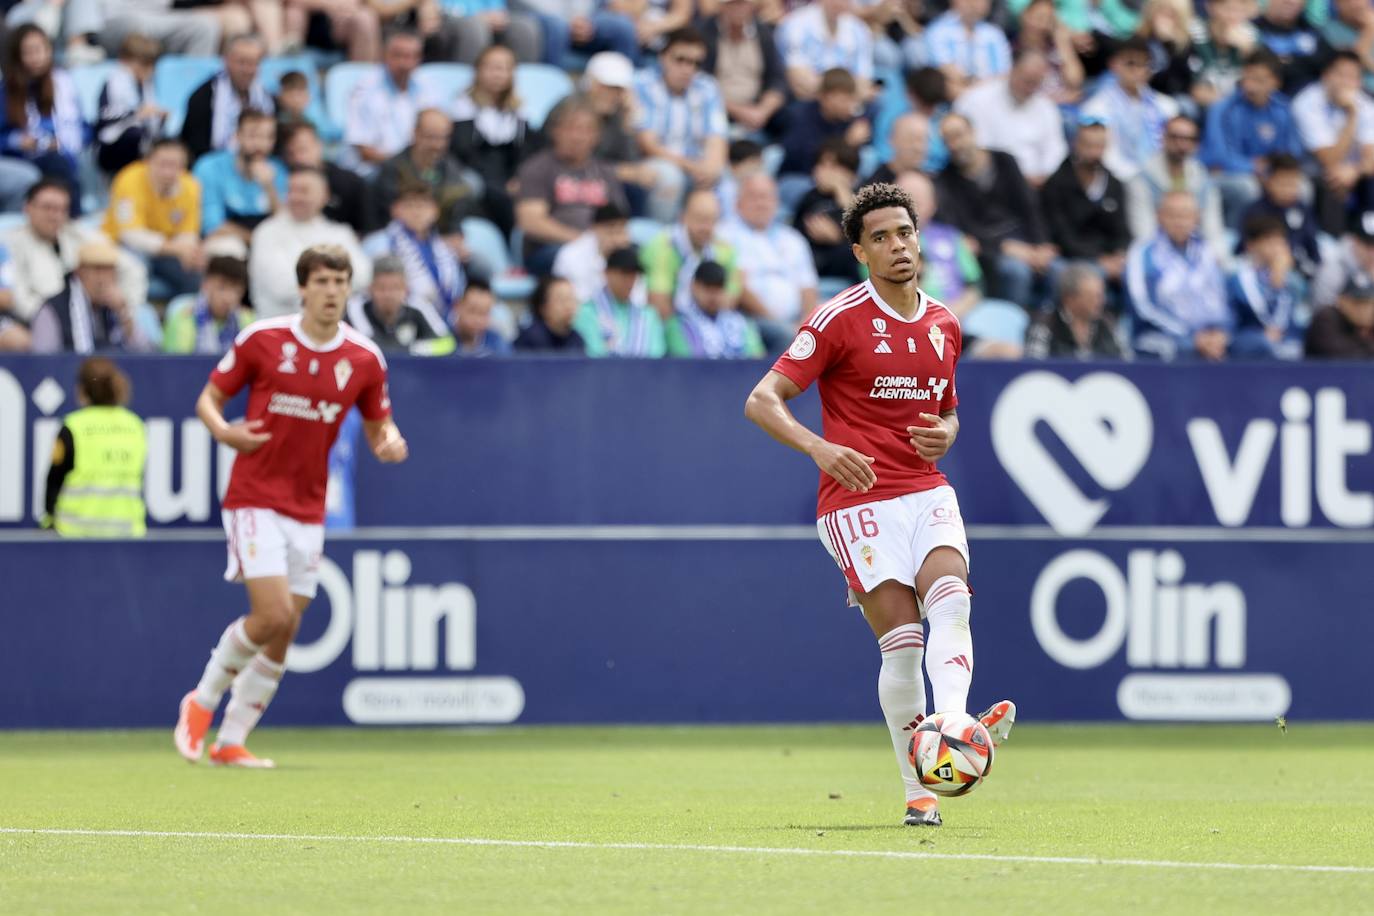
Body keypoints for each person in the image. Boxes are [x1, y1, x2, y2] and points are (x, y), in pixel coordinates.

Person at [743, 181, 1016, 829]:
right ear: (861, 253)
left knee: (951, 596)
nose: (898, 246)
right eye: (882, 238)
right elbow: (762, 400)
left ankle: (951, 725)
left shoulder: (945, 322)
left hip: (925, 489)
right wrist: (818, 447)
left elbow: (949, 412)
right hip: (857, 500)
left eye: (905, 233)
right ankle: (920, 791)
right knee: (903, 644)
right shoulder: (839, 319)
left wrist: (945, 434)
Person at [173, 245, 406, 768]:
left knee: (288, 627)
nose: (331, 291)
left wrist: (389, 440)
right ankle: (202, 702)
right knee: (272, 613)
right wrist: (224, 432)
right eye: (322, 281)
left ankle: (233, 738)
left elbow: (378, 424)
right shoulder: (263, 340)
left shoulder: (364, 358)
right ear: (303, 288)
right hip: (254, 496)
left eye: (340, 282)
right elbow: (209, 398)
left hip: (308, 506)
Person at [937, 112, 1055, 310]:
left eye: (958, 135)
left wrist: (1042, 244)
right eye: (947, 140)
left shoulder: (1004, 160)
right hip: (989, 250)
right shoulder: (946, 180)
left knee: (1059, 269)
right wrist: (1004, 247)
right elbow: (963, 230)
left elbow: (1029, 206)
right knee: (1016, 271)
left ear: (973, 132)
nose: (954, 145)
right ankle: (1015, 331)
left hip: (1024, 238)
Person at [3, 179, 147, 325]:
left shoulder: (79, 235)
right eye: (47, 208)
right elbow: (17, 297)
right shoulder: (10, 244)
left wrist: (125, 308)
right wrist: (55, 320)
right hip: (37, 324)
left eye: (61, 210)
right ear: (27, 208)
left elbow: (133, 269)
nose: (55, 216)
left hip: (89, 322)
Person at [515, 98, 628, 275]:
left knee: (633, 259)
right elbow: (531, 222)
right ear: (555, 131)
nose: (578, 136)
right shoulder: (537, 168)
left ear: (597, 136)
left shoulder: (605, 172)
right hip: (551, 249)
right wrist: (583, 241)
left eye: (586, 130)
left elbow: (618, 220)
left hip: (600, 247)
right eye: (571, 128)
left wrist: (610, 242)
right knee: (579, 260)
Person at [43, 357, 146, 538]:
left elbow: (54, 481)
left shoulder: (72, 427)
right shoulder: (135, 426)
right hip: (127, 536)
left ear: (82, 390)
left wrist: (50, 520)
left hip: (74, 536)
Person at [633, 27, 729, 221]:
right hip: (659, 162)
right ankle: (662, 239)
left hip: (696, 165)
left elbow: (717, 137)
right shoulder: (642, 84)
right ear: (662, 57)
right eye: (680, 60)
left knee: (727, 181)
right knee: (669, 177)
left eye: (695, 63)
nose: (688, 69)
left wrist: (712, 167)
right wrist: (691, 167)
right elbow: (648, 144)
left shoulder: (707, 86)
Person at [1200, 49, 1304, 226]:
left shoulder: (1283, 109)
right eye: (1247, 78)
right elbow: (1218, 157)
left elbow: (1293, 152)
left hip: (1270, 174)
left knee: (1303, 188)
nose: (1250, 86)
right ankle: (1237, 240)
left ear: (1275, 82)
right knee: (1248, 188)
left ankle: (1290, 239)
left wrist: (1274, 173)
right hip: (1229, 175)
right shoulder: (1223, 109)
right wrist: (1254, 168)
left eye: (1258, 80)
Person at [250, 167, 371, 319]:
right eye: (291, 190)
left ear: (324, 195)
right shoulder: (267, 232)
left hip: (329, 331)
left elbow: (363, 276)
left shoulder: (340, 233)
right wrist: (336, 282)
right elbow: (280, 287)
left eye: (304, 191)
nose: (296, 197)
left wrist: (312, 280)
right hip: (278, 330)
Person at [1126, 191, 1230, 360]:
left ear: (1197, 217)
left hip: (1210, 335)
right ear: (1159, 216)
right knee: (1181, 349)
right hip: (1159, 336)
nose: (1179, 222)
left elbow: (1223, 300)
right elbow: (1142, 307)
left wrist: (1221, 333)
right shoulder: (1142, 253)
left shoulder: (1207, 252)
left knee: (1248, 346)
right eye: (1172, 215)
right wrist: (1191, 335)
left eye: (1186, 215)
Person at [723, 172, 818, 348]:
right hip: (752, 319)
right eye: (754, 197)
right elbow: (739, 288)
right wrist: (781, 324)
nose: (761, 203)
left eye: (766, 197)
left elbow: (808, 288)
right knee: (785, 337)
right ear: (738, 203)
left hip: (796, 323)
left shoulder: (793, 238)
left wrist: (804, 324)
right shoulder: (726, 236)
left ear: (776, 203)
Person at [1039, 117, 1131, 294]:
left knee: (1135, 272)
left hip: (1108, 258)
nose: (1094, 152)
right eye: (1088, 145)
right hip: (1070, 257)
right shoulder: (1057, 183)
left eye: (1100, 146)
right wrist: (1099, 259)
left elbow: (1122, 230)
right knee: (1087, 276)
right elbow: (1062, 236)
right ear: (1075, 144)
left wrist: (1119, 254)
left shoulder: (1114, 184)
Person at [104, 138, 203, 300]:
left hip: (166, 251)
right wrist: (177, 249)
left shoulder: (191, 186)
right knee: (135, 269)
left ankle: (182, 319)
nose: (169, 172)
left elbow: (188, 234)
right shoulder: (129, 178)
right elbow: (130, 234)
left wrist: (189, 253)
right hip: (122, 245)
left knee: (194, 275)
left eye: (176, 166)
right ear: (148, 161)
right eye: (163, 164)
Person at [951, 48, 1066, 188]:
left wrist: (1044, 176)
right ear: (1012, 70)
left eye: (1036, 83)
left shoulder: (1046, 107)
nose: (1029, 88)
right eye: (1026, 81)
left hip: (1038, 183)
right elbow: (974, 147)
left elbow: (1055, 151)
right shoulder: (976, 100)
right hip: (991, 181)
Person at [450, 44, 532, 235]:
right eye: (492, 67)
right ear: (478, 70)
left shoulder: (518, 111)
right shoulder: (464, 107)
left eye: (504, 68)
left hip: (508, 174)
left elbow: (525, 151)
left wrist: (518, 177)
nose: (498, 74)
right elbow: (462, 150)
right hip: (475, 173)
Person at [1126, 114, 1228, 266]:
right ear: (1163, 138)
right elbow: (1144, 234)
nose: (1181, 144)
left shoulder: (1204, 181)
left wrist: (1215, 258)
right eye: (1175, 137)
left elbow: (1213, 230)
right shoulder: (1142, 180)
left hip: (1197, 257)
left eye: (1188, 139)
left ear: (1196, 144)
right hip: (1158, 260)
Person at [1292, 51, 1374, 235]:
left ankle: (1367, 238)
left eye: (1353, 77)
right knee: (1333, 180)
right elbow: (1329, 160)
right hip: (1311, 170)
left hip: (1352, 171)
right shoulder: (1307, 103)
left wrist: (1355, 170)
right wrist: (1352, 116)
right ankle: (1333, 243)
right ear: (1326, 75)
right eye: (1341, 74)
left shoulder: (1365, 103)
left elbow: (1371, 157)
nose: (1346, 82)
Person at [0, 24, 82, 205]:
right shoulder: (6, 92)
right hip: (22, 158)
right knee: (56, 165)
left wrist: (61, 140)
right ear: (17, 56)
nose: (35, 57)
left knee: (64, 162)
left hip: (60, 154)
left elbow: (82, 127)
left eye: (39, 50)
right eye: (28, 51)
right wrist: (17, 141)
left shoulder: (63, 84)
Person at [1079, 36, 1180, 183]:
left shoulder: (1167, 106)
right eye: (1131, 64)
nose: (1138, 70)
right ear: (1114, 65)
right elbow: (1104, 156)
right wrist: (1136, 177)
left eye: (1144, 64)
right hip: (1120, 179)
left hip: (1161, 178)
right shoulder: (1096, 108)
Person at [30, 239, 155, 354]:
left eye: (109, 270)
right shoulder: (53, 309)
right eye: (97, 270)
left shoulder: (116, 310)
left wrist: (123, 314)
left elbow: (146, 354)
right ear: (79, 272)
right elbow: (43, 360)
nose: (103, 279)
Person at [642, 187, 747, 319]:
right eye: (701, 219)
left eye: (712, 220)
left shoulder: (724, 248)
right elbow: (659, 305)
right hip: (671, 326)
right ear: (683, 217)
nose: (707, 227)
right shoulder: (662, 247)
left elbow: (731, 293)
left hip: (709, 324)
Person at [374, 108, 480, 235]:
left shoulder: (449, 166)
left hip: (442, 235)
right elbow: (388, 212)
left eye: (443, 138)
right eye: (431, 137)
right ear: (415, 134)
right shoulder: (392, 168)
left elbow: (459, 202)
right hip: (402, 236)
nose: (438, 145)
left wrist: (454, 232)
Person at [345, 31, 438, 174]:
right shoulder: (365, 89)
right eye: (398, 56)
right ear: (385, 55)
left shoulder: (426, 87)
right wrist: (405, 166)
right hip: (374, 169)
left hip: (415, 168)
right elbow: (364, 151)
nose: (405, 64)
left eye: (412, 57)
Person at [371, 183, 465, 318]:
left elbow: (457, 290)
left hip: (443, 317)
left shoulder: (446, 249)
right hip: (400, 317)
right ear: (395, 210)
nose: (417, 212)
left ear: (435, 211)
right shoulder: (380, 243)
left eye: (423, 206)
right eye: (409, 205)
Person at [192, 109, 288, 241]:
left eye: (268, 137)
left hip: (268, 241)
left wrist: (269, 187)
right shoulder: (210, 167)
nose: (261, 144)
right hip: (227, 240)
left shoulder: (278, 169)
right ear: (237, 135)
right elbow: (211, 226)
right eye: (253, 136)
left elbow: (285, 223)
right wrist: (255, 240)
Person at [180, 34, 274, 166]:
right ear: (226, 61)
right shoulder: (203, 98)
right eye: (241, 62)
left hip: (258, 166)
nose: (247, 70)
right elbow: (194, 149)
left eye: (253, 63)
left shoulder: (268, 99)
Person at [1227, 213, 1306, 359]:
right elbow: (1236, 321)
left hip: (1287, 339)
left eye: (1280, 242)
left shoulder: (1293, 279)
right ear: (1251, 245)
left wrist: (1281, 280)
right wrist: (1275, 286)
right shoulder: (1237, 279)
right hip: (1249, 339)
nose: (1277, 248)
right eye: (1269, 241)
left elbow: (1296, 315)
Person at [702, 0, 786, 136]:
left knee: (792, 117)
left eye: (742, 3)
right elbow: (701, 83)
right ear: (721, 7)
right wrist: (739, 111)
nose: (738, 9)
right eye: (732, 4)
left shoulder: (763, 32)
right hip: (717, 109)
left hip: (758, 108)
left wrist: (762, 111)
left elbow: (777, 79)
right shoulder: (705, 33)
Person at [571, 244, 666, 356]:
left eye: (634, 274)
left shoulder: (648, 316)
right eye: (624, 273)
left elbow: (656, 354)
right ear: (607, 273)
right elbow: (593, 353)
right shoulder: (586, 312)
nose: (630, 280)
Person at [347, 254, 453, 354]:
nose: (388, 295)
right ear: (370, 289)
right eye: (381, 288)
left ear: (406, 289)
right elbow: (367, 345)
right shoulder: (356, 308)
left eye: (395, 288)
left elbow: (447, 342)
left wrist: (415, 349)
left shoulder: (418, 306)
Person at [778, 67, 871, 180]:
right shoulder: (799, 116)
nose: (848, 105)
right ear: (824, 97)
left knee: (869, 157)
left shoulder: (848, 118)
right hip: (798, 177)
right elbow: (804, 160)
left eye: (851, 99)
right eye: (843, 100)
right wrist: (847, 143)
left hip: (837, 178)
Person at [1237, 153, 1320, 279]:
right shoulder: (1255, 211)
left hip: (1299, 268)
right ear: (1269, 181)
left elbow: (1312, 247)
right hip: (1263, 270)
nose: (1288, 190)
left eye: (1293, 184)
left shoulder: (1303, 209)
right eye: (1283, 184)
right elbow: (1244, 248)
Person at [94, 33, 165, 179]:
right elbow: (105, 118)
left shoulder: (147, 85)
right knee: (133, 136)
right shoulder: (113, 83)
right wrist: (136, 113)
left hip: (141, 139)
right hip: (112, 146)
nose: (149, 70)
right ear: (126, 61)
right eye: (143, 64)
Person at [1025, 260, 1129, 359]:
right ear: (1069, 299)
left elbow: (1127, 363)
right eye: (1092, 297)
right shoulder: (1045, 325)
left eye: (1101, 295)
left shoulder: (1108, 324)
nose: (1101, 301)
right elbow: (1034, 369)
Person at [281, 122, 371, 236]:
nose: (298, 158)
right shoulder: (281, 181)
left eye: (302, 149)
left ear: (319, 145)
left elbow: (365, 229)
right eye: (291, 153)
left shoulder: (350, 183)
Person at [776, 0, 875, 101]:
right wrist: (839, 94)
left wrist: (839, 97)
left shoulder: (860, 30)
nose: (839, 3)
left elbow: (863, 81)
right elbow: (797, 78)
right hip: (805, 103)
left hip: (847, 104)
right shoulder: (795, 24)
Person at [666, 259, 764, 358]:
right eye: (707, 288)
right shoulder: (680, 324)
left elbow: (756, 359)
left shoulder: (741, 323)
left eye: (718, 288)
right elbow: (684, 365)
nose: (713, 296)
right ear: (694, 287)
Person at [163, 255, 255, 354]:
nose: (228, 298)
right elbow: (177, 365)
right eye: (222, 288)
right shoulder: (184, 318)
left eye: (236, 290)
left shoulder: (248, 321)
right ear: (206, 284)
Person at [920, 0, 1013, 92]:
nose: (974, 4)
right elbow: (943, 69)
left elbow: (1004, 74)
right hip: (952, 95)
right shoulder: (937, 30)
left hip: (989, 96)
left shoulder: (995, 34)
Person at [552, 199, 629, 304]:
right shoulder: (571, 255)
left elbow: (637, 299)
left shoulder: (631, 254)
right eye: (611, 231)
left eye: (621, 231)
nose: (617, 239)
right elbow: (574, 298)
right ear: (594, 228)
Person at [1253, 0, 1332, 96]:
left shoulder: (1312, 31)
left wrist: (1286, 61)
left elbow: (1331, 66)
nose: (1291, 1)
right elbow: (1264, 71)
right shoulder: (1252, 30)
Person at [437, 0, 543, 63]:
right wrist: (474, 15)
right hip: (447, 18)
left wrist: (497, 14)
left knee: (523, 28)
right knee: (474, 28)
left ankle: (518, 89)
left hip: (486, 18)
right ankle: (470, 89)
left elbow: (496, 6)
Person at [1313, 212, 1374, 309]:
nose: (1372, 253)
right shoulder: (1333, 267)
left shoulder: (1368, 265)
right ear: (1355, 240)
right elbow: (1320, 309)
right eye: (1368, 245)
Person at [514, 274, 587, 352]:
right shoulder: (530, 339)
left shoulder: (577, 339)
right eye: (561, 300)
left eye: (571, 299)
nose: (568, 306)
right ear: (542, 306)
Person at [1306, 274, 1374, 357]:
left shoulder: (1368, 325)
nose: (1364, 310)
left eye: (1369, 303)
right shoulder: (1326, 318)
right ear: (1341, 301)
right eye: (1358, 303)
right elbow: (1339, 354)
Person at [864, 113, 930, 188]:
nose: (919, 147)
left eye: (925, 140)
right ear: (891, 139)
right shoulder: (876, 186)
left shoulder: (933, 182)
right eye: (911, 139)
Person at [451, 279, 512, 356]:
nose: (478, 320)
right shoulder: (443, 337)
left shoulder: (497, 343)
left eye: (484, 313)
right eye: (472, 311)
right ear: (457, 306)